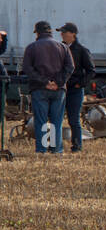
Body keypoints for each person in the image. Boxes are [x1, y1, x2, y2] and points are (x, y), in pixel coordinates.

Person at [21, 21, 73, 155]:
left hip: (39, 89)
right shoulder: (63, 47)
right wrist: (58, 82)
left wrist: (45, 82)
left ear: (37, 33)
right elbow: (70, 67)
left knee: (42, 121)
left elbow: (27, 68)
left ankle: (42, 149)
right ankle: (56, 149)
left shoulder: (31, 47)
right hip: (59, 90)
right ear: (50, 32)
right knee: (56, 121)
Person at [59, 23, 94, 153]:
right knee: (55, 118)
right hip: (61, 88)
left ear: (73, 34)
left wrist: (81, 84)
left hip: (75, 90)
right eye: (61, 32)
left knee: (74, 119)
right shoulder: (60, 48)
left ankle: (77, 146)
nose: (62, 34)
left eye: (64, 32)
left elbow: (91, 70)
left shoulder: (82, 50)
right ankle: (55, 146)